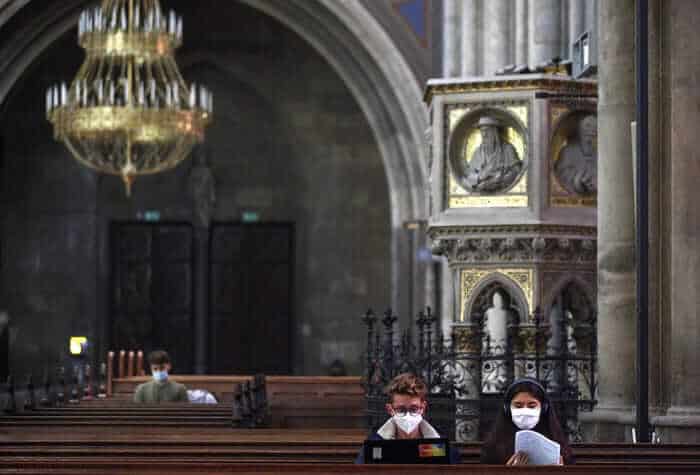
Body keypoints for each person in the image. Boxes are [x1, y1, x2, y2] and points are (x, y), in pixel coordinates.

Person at [355, 373, 459, 464]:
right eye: (401, 410)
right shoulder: (374, 444)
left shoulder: (441, 445)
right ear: (390, 409)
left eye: (414, 409)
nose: (408, 415)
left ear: (422, 408)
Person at [480, 377, 574, 465]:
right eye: (518, 405)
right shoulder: (493, 447)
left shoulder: (557, 442)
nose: (525, 410)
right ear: (507, 409)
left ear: (543, 408)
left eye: (532, 406)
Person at [462, 116, 522, 192]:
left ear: (494, 132)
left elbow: (516, 172)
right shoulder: (478, 153)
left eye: (487, 131)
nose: (484, 135)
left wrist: (497, 182)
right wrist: (480, 177)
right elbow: (468, 175)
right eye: (482, 131)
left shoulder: (507, 150)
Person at [555, 115, 597, 195]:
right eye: (588, 126)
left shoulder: (598, 154)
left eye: (595, 127)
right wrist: (578, 179)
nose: (591, 130)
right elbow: (561, 173)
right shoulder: (568, 151)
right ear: (579, 130)